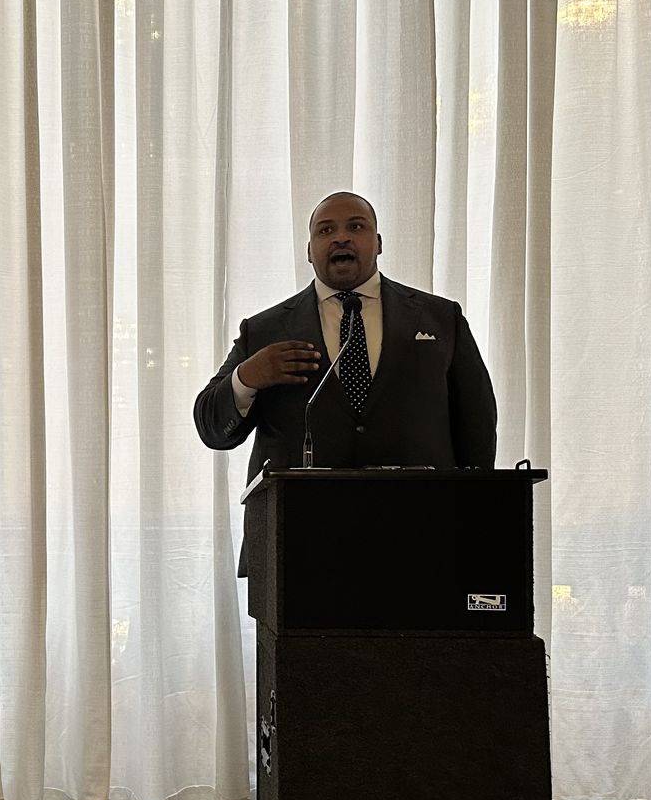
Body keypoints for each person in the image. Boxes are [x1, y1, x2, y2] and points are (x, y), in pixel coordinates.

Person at [193, 191, 498, 567]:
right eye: (326, 230)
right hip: (296, 548)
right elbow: (211, 426)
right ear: (309, 250)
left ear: (379, 242)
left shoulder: (440, 319)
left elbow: (478, 427)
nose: (341, 237)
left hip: (422, 538)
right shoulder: (265, 330)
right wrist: (247, 377)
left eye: (356, 226)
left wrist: (475, 520)